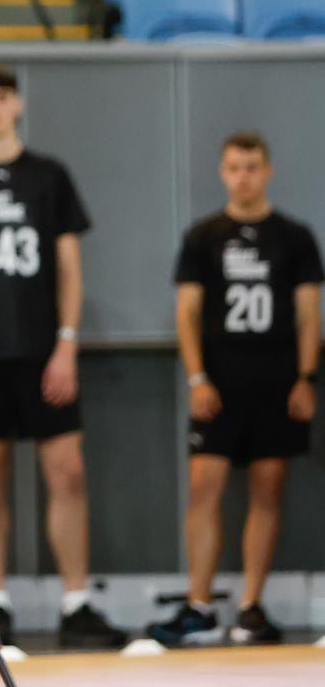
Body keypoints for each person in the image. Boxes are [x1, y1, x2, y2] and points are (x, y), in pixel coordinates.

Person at [0, 63, 127, 648]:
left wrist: (66, 343)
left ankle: (77, 602)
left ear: (17, 105)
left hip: (43, 349)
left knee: (68, 471)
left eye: (2, 98)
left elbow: (68, 267)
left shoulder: (48, 176)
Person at [148, 132, 322, 646]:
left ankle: (251, 607)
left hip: (276, 381)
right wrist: (198, 377)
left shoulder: (295, 237)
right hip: (219, 384)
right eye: (234, 167)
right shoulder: (204, 236)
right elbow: (187, 312)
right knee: (205, 490)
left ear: (267, 170)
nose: (243, 176)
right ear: (223, 173)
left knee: (269, 492)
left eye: (251, 166)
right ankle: (199, 604)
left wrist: (305, 378)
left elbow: (310, 313)